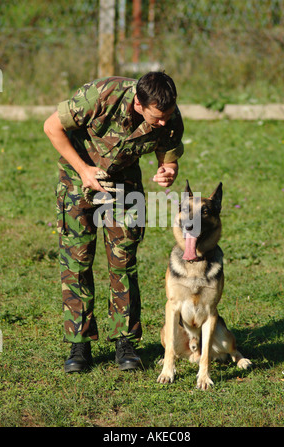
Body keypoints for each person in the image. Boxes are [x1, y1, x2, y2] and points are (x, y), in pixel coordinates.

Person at [44, 71, 184, 373]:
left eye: (167, 116)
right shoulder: (102, 95)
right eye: (157, 117)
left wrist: (167, 170)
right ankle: (79, 345)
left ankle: (126, 342)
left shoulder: (168, 114)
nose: (162, 122)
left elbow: (168, 156)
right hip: (77, 181)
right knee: (76, 262)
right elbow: (51, 126)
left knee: (123, 261)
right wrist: (83, 170)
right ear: (138, 103)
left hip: (124, 186)